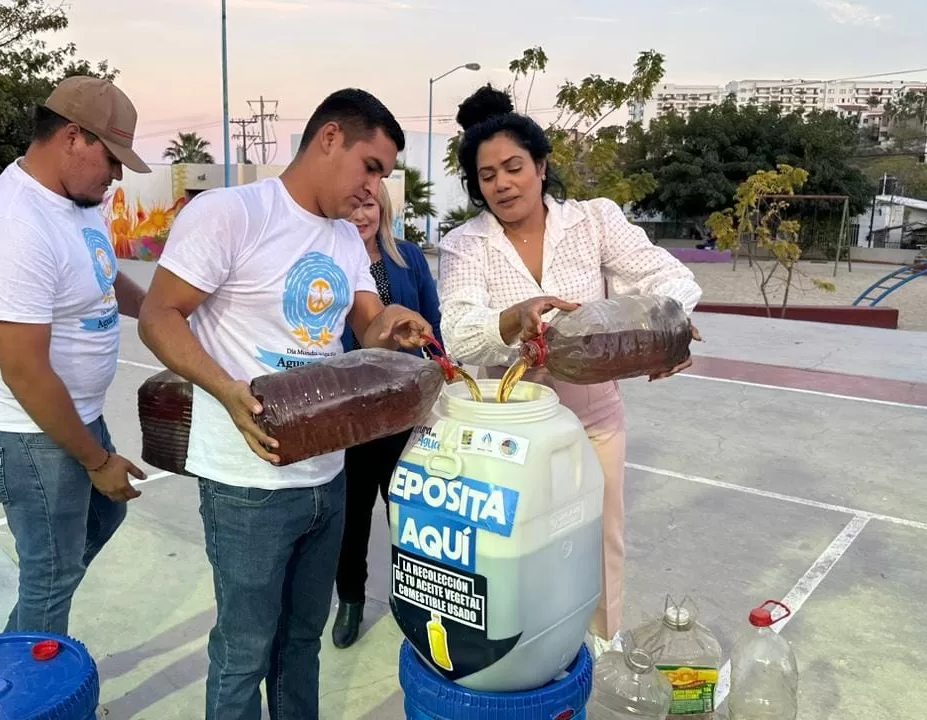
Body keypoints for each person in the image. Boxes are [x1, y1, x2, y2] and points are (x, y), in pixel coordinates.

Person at [137, 88, 435, 720]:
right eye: (370, 167)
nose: (374, 188)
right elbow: (159, 317)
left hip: (327, 476)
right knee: (244, 651)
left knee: (301, 643)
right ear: (330, 138)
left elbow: (368, 325)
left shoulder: (345, 237)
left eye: (383, 175)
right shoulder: (232, 213)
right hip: (247, 482)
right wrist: (227, 390)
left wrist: (394, 325)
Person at [436, 85, 704, 652]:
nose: (503, 184)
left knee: (602, 534)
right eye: (488, 176)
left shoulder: (594, 221)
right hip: (507, 427)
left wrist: (665, 331)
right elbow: (457, 333)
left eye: (514, 167)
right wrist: (513, 319)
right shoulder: (466, 244)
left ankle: (602, 646)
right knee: (513, 544)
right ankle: (523, 650)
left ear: (541, 166)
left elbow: (671, 279)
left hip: (593, 416)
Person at [0, 76, 151, 635]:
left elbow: (102, 276)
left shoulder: (76, 200)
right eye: (111, 159)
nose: (116, 176)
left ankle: (17, 645)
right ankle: (29, 679)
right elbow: (23, 370)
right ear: (72, 137)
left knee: (99, 520)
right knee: (50, 573)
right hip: (26, 433)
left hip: (72, 416)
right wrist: (97, 461)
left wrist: (161, 311)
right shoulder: (16, 225)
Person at [331, 183, 442, 649]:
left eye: (369, 205)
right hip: (351, 414)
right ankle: (351, 600)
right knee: (352, 517)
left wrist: (442, 373)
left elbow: (433, 321)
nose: (361, 215)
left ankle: (413, 603)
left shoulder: (408, 258)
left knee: (408, 515)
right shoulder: (330, 261)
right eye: (353, 205)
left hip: (405, 410)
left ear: (384, 209)